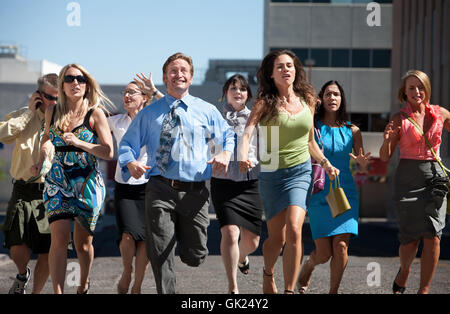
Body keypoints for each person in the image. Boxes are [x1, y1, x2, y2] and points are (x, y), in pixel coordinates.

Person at [118, 52, 235, 294]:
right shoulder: (150, 113)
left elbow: (228, 136)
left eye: (183, 70)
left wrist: (225, 153)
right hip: (160, 188)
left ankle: (184, 236)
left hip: (196, 191)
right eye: (173, 70)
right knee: (160, 253)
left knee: (195, 255)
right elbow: (127, 144)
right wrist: (130, 163)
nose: (178, 74)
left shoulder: (206, 110)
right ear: (165, 77)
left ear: (191, 78)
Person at [239, 49, 339, 294]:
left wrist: (325, 163)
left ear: (296, 71)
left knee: (295, 228)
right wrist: (243, 156)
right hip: (272, 173)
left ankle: (289, 290)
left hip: (300, 171)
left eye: (290, 65)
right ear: (271, 75)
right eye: (280, 67)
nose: (286, 69)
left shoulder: (307, 98)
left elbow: (309, 142)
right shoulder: (265, 102)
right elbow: (248, 133)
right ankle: (268, 271)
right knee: (277, 238)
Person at [31, 64, 114, 294]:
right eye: (69, 78)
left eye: (80, 78)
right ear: (62, 85)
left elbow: (108, 152)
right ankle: (58, 292)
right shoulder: (52, 111)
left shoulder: (95, 113)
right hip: (57, 181)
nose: (75, 82)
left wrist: (79, 143)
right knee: (57, 239)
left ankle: (82, 284)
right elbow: (47, 138)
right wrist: (42, 157)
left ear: (87, 84)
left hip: (86, 182)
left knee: (83, 244)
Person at [296, 80, 371, 294]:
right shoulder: (313, 125)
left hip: (345, 193)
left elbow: (361, 164)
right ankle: (309, 265)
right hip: (319, 192)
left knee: (341, 246)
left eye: (336, 94)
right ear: (322, 98)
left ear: (342, 99)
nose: (332, 98)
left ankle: (333, 291)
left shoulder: (353, 130)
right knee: (324, 253)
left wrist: (363, 166)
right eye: (328, 94)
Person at [379, 70, 449, 294]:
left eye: (420, 87)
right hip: (408, 179)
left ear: (427, 89)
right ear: (404, 92)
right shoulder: (399, 118)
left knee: (433, 236)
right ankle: (404, 270)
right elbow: (384, 156)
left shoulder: (441, 113)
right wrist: (388, 139)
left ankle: (424, 290)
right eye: (411, 87)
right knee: (411, 241)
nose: (416, 91)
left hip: (436, 177)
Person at [0, 73, 58, 294]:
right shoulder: (23, 115)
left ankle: (35, 292)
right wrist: (28, 113)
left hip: (51, 191)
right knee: (15, 244)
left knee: (48, 249)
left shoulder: (64, 120)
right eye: (48, 97)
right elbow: (2, 134)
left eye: (56, 97)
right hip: (23, 189)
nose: (53, 102)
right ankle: (23, 274)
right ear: (38, 95)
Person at [107, 75, 162, 294]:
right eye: (125, 92)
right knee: (128, 235)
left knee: (146, 242)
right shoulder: (116, 121)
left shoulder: (155, 119)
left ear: (144, 98)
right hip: (125, 187)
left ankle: (137, 286)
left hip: (151, 186)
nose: (127, 96)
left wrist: (155, 91)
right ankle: (127, 271)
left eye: (132, 92)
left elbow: (173, 107)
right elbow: (92, 118)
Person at [210, 74, 264, 294]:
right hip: (222, 182)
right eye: (233, 88)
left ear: (248, 94)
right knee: (230, 233)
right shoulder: (214, 116)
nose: (238, 92)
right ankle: (233, 286)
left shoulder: (255, 118)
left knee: (253, 241)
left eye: (242, 89)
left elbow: (263, 147)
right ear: (226, 93)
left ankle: (243, 257)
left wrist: (254, 160)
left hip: (249, 183)